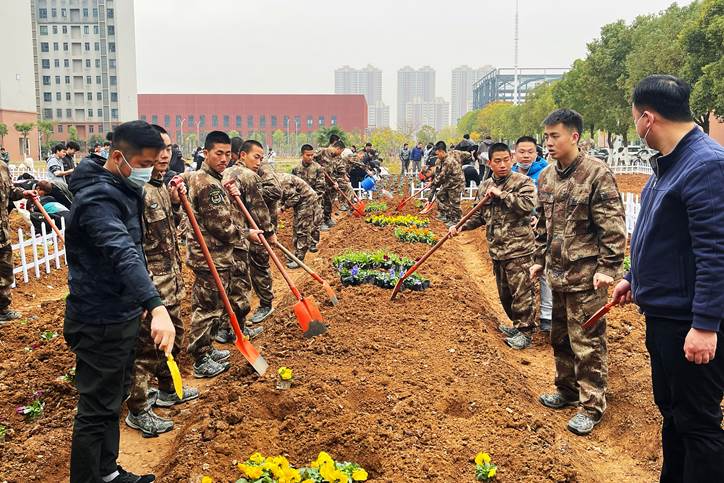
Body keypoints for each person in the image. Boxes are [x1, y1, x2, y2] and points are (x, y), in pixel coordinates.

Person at [612, 75, 724, 482]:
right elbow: (660, 235)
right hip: (665, 317)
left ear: (647, 118)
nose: (635, 127)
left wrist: (705, 325)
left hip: (688, 322)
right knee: (674, 415)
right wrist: (633, 277)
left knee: (698, 423)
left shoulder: (706, 165)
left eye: (634, 119)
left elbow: (716, 251)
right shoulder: (669, 164)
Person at [64, 120, 175, 483]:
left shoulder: (121, 187)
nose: (149, 171)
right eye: (143, 164)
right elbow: (121, 252)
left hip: (120, 312)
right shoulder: (98, 199)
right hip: (100, 320)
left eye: (154, 163)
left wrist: (138, 299)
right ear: (117, 158)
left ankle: (108, 473)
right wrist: (155, 304)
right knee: (96, 409)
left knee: (112, 400)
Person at [530, 108, 626, 436]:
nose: (548, 142)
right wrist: (538, 259)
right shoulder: (546, 177)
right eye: (546, 136)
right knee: (560, 338)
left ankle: (592, 405)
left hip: (587, 278)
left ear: (574, 136)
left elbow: (612, 227)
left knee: (587, 342)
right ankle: (567, 390)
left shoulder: (596, 174)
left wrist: (608, 268)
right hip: (557, 275)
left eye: (554, 136)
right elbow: (542, 226)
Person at [125, 125, 198, 437]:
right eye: (159, 149)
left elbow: (168, 234)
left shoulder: (161, 188)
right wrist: (143, 296)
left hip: (171, 281)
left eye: (169, 148)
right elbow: (133, 247)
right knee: (147, 350)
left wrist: (177, 203)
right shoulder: (137, 192)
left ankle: (168, 388)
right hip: (151, 286)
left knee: (174, 338)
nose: (165, 155)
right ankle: (138, 408)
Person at [450, 142, 538, 349]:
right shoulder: (485, 186)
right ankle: (517, 325)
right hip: (497, 249)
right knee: (505, 294)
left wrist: (502, 195)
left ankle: (525, 332)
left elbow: (528, 206)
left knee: (522, 292)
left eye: (506, 160)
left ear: (512, 159)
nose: (503, 165)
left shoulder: (522, 182)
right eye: (497, 161)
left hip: (519, 249)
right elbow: (479, 215)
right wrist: (460, 226)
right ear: (489, 163)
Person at [184, 131, 241, 376]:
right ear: (206, 153)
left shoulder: (211, 178)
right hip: (210, 256)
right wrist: (245, 234)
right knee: (207, 308)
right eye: (219, 153)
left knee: (214, 305)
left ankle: (207, 348)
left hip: (214, 255)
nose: (224, 159)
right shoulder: (208, 184)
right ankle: (200, 358)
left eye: (227, 154)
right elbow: (221, 226)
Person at [221, 139, 278, 331]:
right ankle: (260, 309)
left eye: (261, 158)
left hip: (228, 234)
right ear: (243, 155)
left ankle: (226, 326)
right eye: (256, 157)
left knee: (229, 280)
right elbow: (259, 210)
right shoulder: (249, 176)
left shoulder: (225, 172)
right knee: (245, 278)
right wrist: (269, 233)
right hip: (244, 234)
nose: (259, 162)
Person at [512, 136, 551, 332]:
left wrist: (539, 219)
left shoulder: (546, 172)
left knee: (543, 269)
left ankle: (547, 316)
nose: (526, 156)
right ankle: (524, 319)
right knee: (521, 274)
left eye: (530, 152)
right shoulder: (509, 173)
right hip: (516, 235)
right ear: (515, 153)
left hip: (541, 231)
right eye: (522, 152)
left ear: (536, 154)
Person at [276, 172, 322, 268]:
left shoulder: (283, 181)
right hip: (300, 202)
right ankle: (295, 254)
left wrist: (282, 208)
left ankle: (300, 259)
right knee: (296, 226)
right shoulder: (276, 180)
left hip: (307, 200)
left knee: (302, 228)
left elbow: (295, 197)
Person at [0, 162, 25, 323]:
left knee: (5, 272)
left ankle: (2, 310)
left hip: (2, 232)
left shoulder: (2, 166)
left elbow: (10, 190)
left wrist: (23, 193)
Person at [291, 144, 325, 252]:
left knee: (315, 221)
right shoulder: (296, 169)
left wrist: (314, 199)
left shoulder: (318, 168)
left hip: (315, 199)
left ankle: (313, 243)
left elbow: (320, 186)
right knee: (299, 223)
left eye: (312, 155)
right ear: (302, 155)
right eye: (308, 155)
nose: (310, 157)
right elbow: (293, 186)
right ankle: (297, 244)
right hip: (300, 201)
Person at [428, 141, 465, 227]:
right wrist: (432, 184)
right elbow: (437, 173)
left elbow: (441, 176)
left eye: (437, 154)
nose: (437, 156)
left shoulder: (448, 161)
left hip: (456, 183)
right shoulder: (441, 160)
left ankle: (457, 221)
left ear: (441, 151)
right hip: (448, 182)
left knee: (454, 202)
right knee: (440, 195)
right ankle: (447, 215)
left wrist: (432, 184)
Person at [314, 140, 345, 230]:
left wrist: (334, 182)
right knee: (320, 202)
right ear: (338, 148)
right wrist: (317, 167)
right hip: (318, 181)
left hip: (328, 182)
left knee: (328, 201)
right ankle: (320, 222)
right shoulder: (321, 151)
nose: (340, 154)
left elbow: (331, 171)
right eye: (340, 152)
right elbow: (310, 158)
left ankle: (327, 219)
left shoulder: (333, 157)